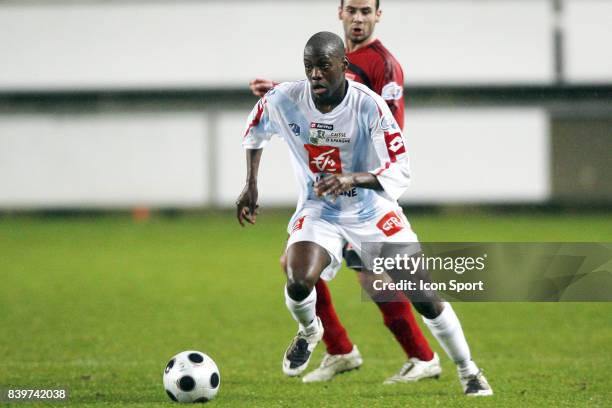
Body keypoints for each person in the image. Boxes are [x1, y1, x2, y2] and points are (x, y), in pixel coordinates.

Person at [237, 31, 493, 396]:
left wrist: (352, 178)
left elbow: (400, 168)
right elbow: (254, 132)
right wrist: (250, 185)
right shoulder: (284, 99)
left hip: (370, 210)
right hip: (320, 209)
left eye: (324, 66)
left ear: (343, 66)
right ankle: (311, 332)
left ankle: (469, 370)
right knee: (297, 278)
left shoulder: (369, 105)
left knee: (423, 295)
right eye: (309, 67)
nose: (315, 75)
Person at [249, 0, 439, 384]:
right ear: (340, 13)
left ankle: (420, 356)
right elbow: (324, 99)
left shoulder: (382, 65)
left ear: (377, 16)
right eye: (351, 10)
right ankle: (340, 349)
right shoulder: (337, 58)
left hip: (364, 192)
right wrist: (278, 92)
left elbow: (381, 125)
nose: (358, 18)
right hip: (330, 191)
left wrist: (364, 182)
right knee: (299, 266)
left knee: (377, 280)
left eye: (366, 11)